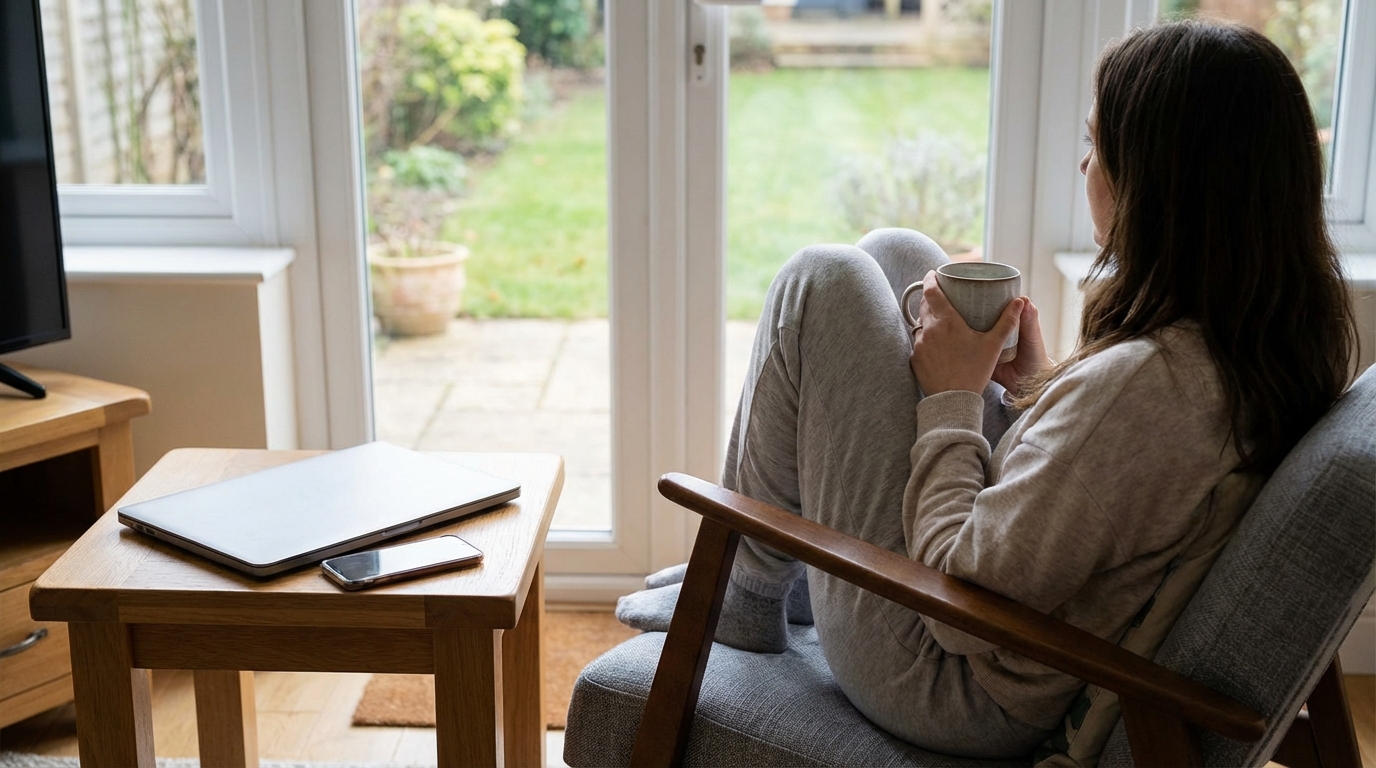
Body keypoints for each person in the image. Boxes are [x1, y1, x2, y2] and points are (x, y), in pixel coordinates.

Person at [616, 18, 1357, 759]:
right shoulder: (1255, 339)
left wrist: (954, 400)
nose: (1084, 167)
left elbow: (962, 605)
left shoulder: (1147, 387)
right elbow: (1091, 503)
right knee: (900, 257)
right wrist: (1035, 391)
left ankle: (746, 593)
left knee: (824, 278)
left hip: (951, 681)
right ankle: (778, 572)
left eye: (1098, 146)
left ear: (1162, 185)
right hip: (1006, 639)